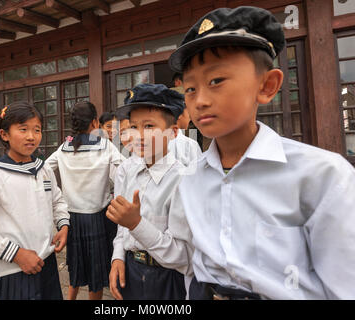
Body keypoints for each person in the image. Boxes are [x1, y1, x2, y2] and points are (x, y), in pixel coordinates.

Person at [169, 6, 355, 300]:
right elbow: (192, 261)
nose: (200, 100)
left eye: (216, 81)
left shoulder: (322, 176)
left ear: (267, 86)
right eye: (190, 89)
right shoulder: (190, 177)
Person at [0, 101, 69, 300]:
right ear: (4, 134)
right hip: (10, 273)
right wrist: (17, 254)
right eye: (23, 129)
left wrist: (63, 225)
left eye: (37, 130)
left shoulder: (43, 169)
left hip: (47, 264)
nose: (31, 136)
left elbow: (57, 201)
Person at [107, 83, 193, 300]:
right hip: (131, 272)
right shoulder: (128, 171)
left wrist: (137, 224)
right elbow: (122, 227)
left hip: (165, 279)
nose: (139, 135)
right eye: (133, 127)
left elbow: (183, 255)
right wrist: (117, 257)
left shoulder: (183, 181)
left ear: (173, 132)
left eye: (149, 126)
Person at [46, 101, 124, 300]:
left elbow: (44, 169)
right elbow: (122, 174)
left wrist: (57, 195)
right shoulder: (106, 146)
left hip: (71, 220)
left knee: (77, 266)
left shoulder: (64, 147)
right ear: (95, 122)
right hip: (97, 219)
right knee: (96, 274)